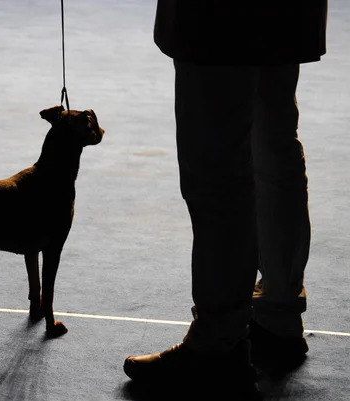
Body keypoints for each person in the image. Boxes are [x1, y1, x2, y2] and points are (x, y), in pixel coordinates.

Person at [123, 1, 328, 398]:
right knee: (274, 140)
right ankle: (278, 311)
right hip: (284, 13)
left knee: (216, 168)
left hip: (219, 18)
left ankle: (218, 343)